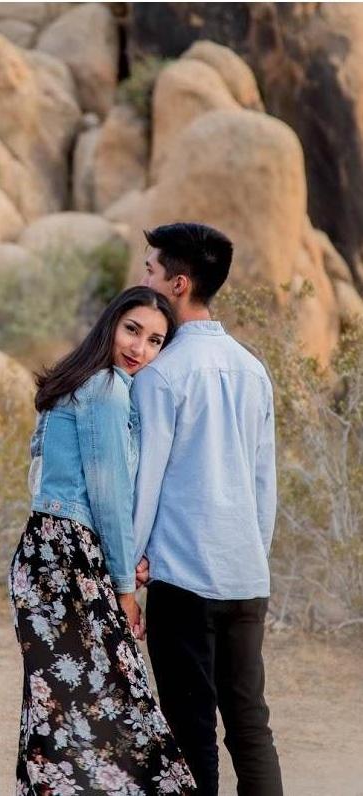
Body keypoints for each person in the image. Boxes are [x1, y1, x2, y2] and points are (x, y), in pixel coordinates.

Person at [9, 286, 196, 795]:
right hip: (71, 558)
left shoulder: (76, 383)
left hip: (43, 553)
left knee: (57, 710)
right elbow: (109, 497)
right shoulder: (108, 390)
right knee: (121, 705)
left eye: (155, 341)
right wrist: (125, 587)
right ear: (110, 324)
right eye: (132, 330)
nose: (140, 348)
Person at [132, 222, 284, 796]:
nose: (144, 279)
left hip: (184, 578)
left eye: (151, 270)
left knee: (190, 731)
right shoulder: (253, 370)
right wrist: (252, 556)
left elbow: (146, 484)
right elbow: (264, 484)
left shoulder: (161, 374)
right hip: (246, 578)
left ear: (179, 283)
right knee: (250, 726)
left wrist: (127, 572)